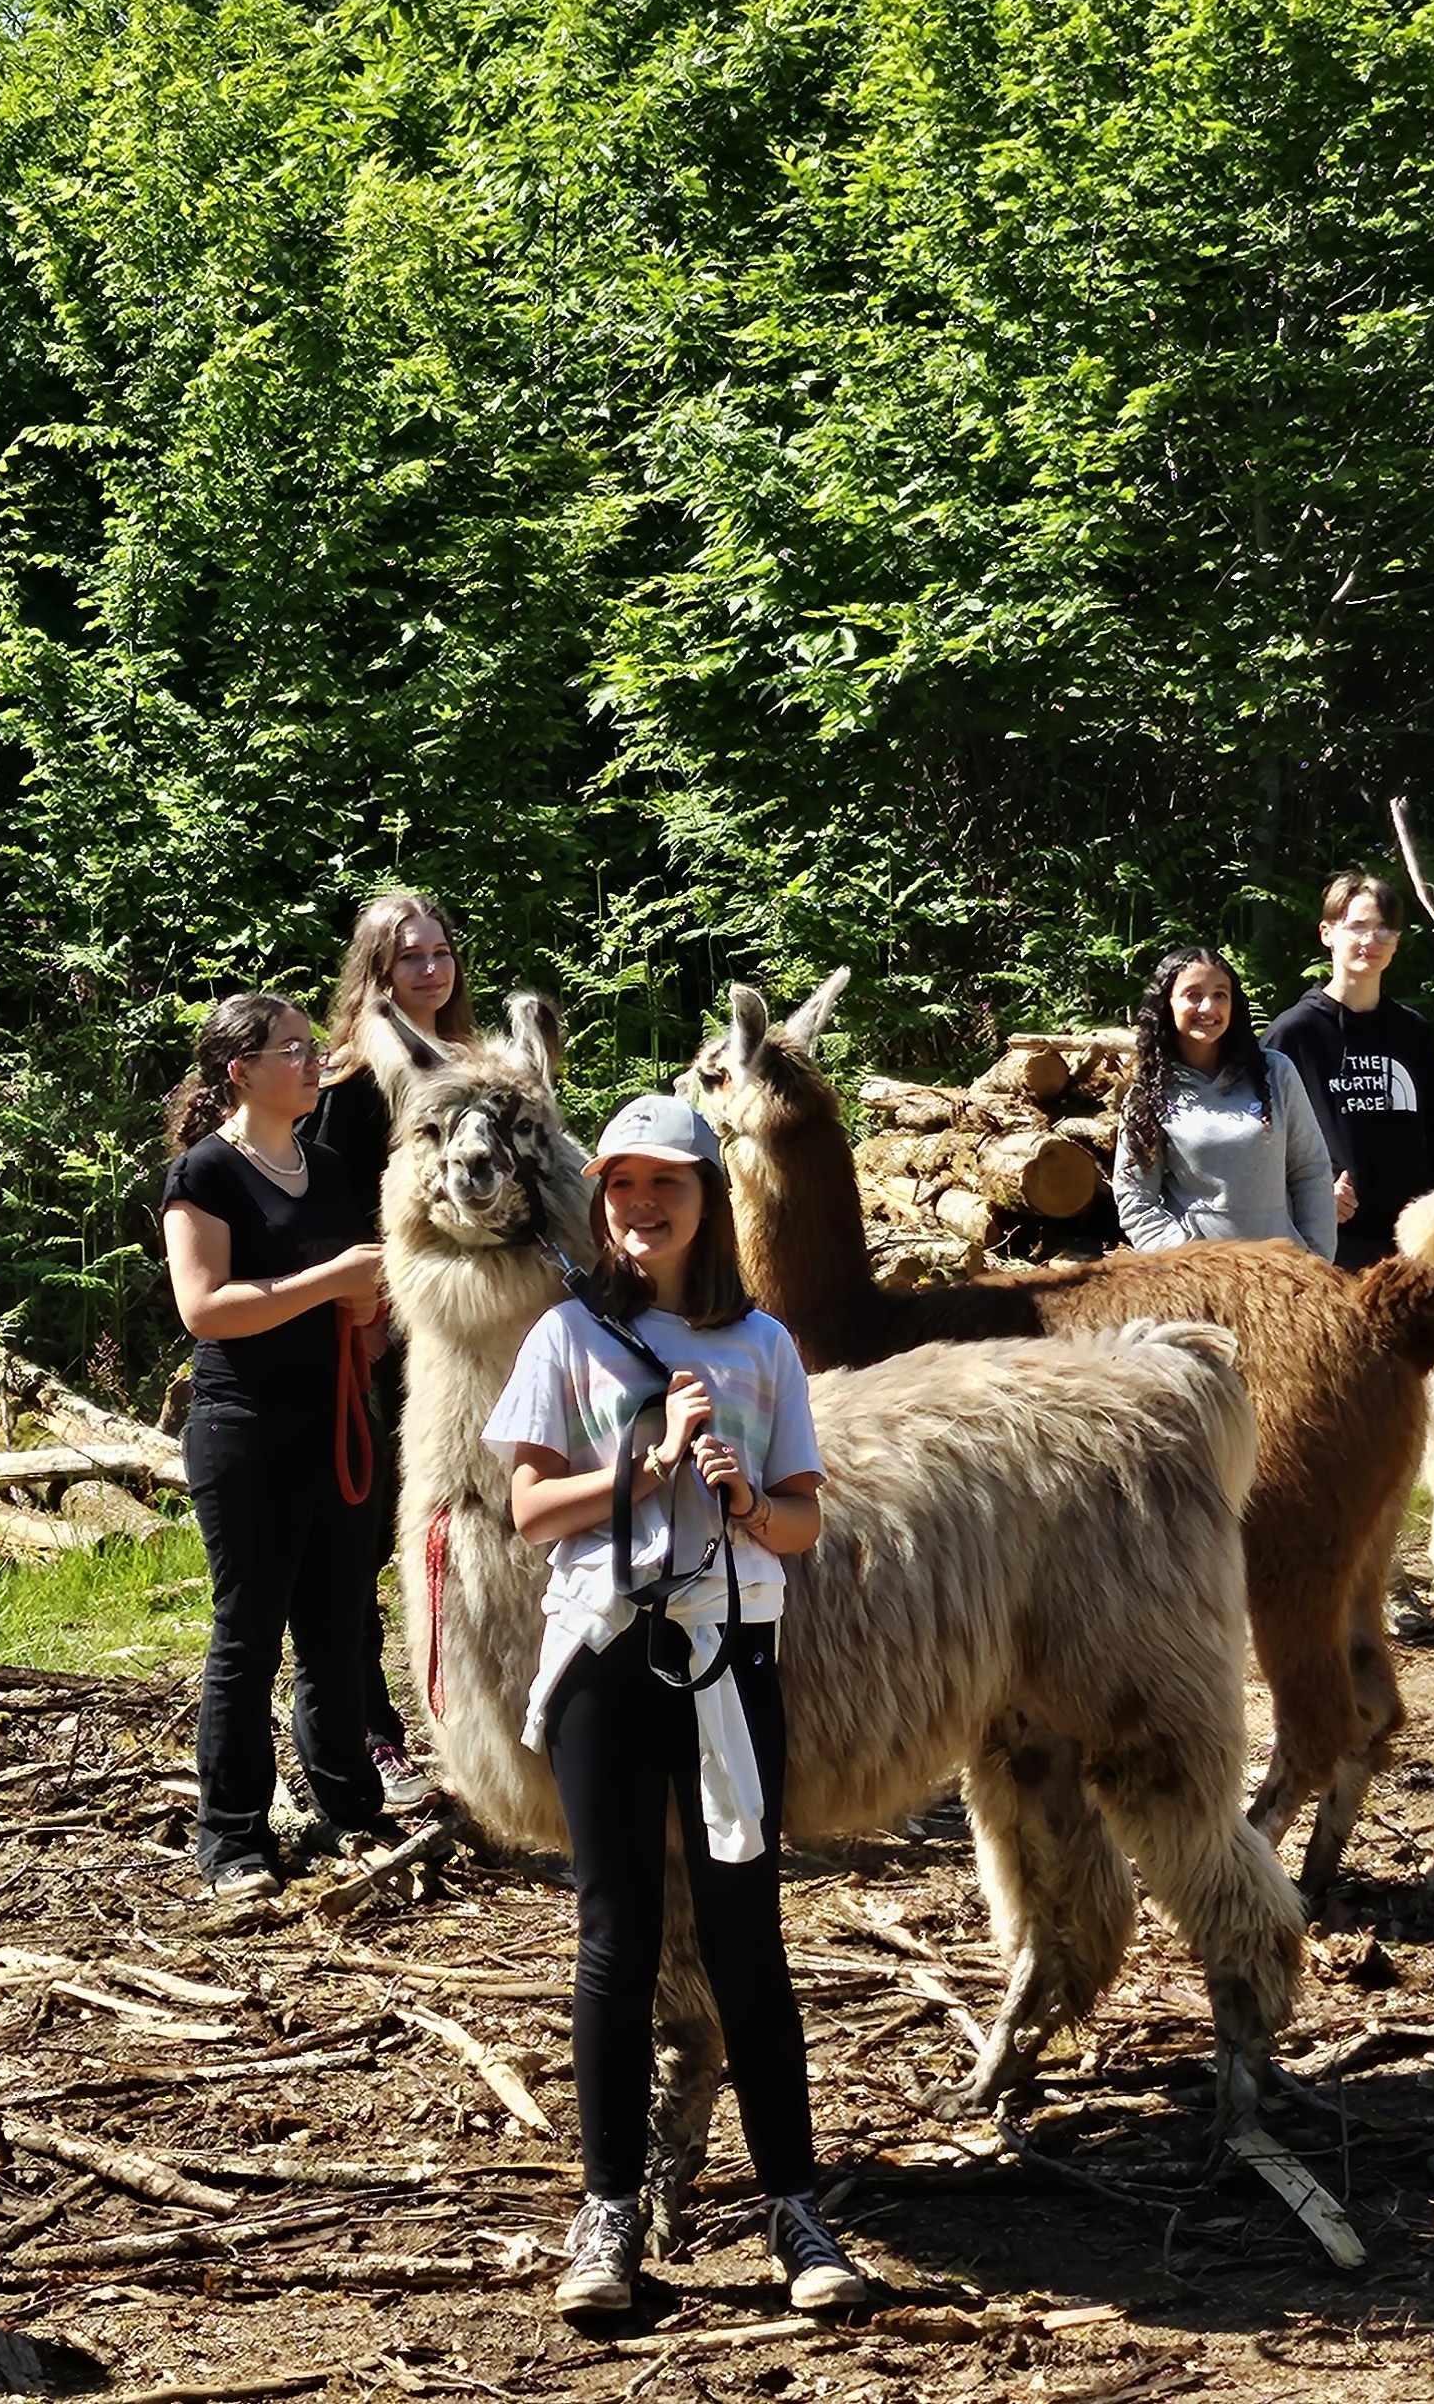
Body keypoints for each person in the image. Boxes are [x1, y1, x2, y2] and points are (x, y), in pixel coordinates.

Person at [488, 1093, 862, 2322]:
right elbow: (529, 1511)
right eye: (621, 1189)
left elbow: (801, 1523)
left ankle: (795, 2209)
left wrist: (745, 1499)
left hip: (725, 1654)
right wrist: (638, 1471)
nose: (641, 1209)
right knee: (617, 1932)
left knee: (748, 1930)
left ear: (709, 1202)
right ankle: (607, 2216)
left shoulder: (760, 1347)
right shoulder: (565, 1341)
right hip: (605, 1653)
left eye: (668, 1187)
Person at [161, 992, 393, 1901]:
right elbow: (205, 1308)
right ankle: (232, 1836)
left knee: (338, 1628)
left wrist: (365, 1308)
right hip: (245, 1428)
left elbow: (360, 1313)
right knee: (247, 1636)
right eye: (292, 1050)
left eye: (311, 1047)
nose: (312, 1063)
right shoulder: (205, 1176)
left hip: (335, 1417)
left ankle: (350, 1810)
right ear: (240, 1073)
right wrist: (330, 1279)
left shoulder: (330, 1168)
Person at [303, 888, 475, 1813]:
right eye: (409, 956)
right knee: (365, 1541)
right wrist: (365, 1319)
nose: (430, 969)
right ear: (376, 969)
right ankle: (369, 1733)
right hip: (380, 1336)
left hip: (462, 1338)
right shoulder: (352, 1079)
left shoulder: (470, 1064)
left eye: (440, 952)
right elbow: (331, 1213)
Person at [1267, 870, 1434, 1269]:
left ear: (1396, 943)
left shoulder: (1413, 1033)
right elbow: (1261, 1142)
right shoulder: (1292, 1036)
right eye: (1357, 927)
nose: (1370, 941)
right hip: (1326, 1243)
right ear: (1327, 933)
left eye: (1383, 930)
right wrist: (1309, 1192)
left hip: (1413, 1244)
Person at [1114, 945, 1336, 1257]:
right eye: (1193, 994)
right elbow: (1134, 1195)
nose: (1208, 1007)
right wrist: (1187, 1261)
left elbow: (1310, 1171)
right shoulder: (1150, 1093)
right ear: (1167, 1003)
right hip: (1199, 1287)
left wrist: (1318, 1258)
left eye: (1220, 994)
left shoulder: (1275, 1072)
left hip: (1284, 1279)